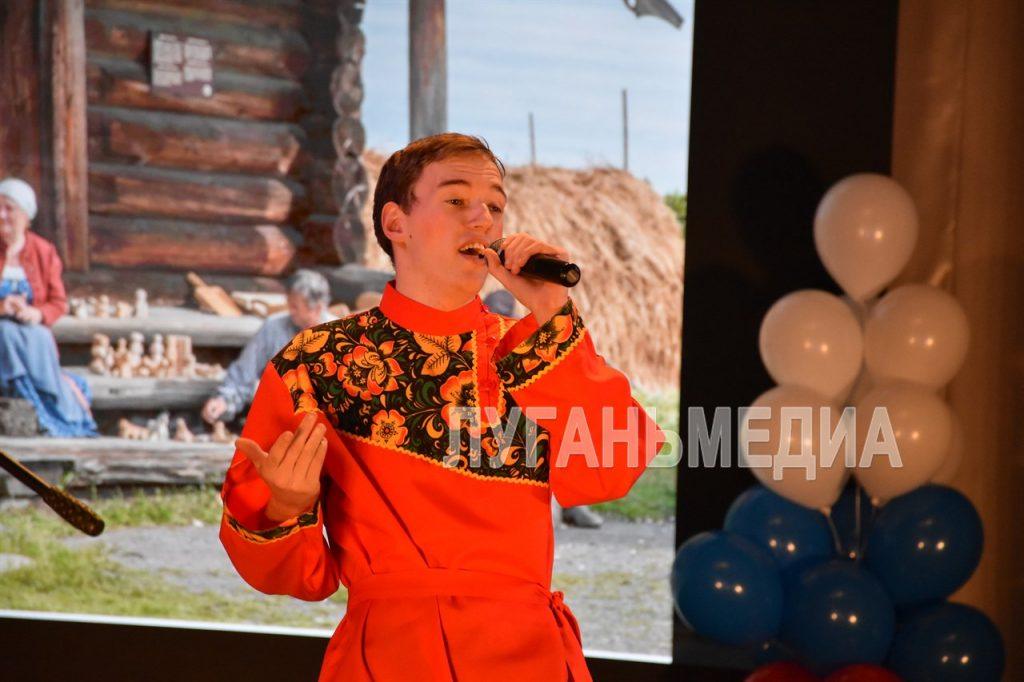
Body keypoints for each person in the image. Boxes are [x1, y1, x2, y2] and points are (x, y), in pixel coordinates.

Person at [218, 134, 665, 681]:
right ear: (395, 222)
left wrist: (552, 312)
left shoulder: (534, 348)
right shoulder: (318, 361)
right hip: (390, 658)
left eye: (495, 206)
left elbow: (609, 471)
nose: (482, 218)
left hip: (528, 658)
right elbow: (293, 575)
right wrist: (284, 506)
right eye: (457, 200)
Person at [483, 289, 605, 530]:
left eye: (503, 312)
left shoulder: (521, 340)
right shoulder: (473, 343)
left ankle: (571, 501)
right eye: (495, 311)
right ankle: (565, 504)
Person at [0, 178, 96, 437]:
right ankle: (24, 398)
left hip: (30, 329)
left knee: (41, 336)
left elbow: (58, 303)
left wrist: (37, 313)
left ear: (25, 216)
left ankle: (52, 409)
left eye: (9, 208)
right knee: (5, 333)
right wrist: (2, 306)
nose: (2, 215)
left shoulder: (43, 252)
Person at [201, 269, 334, 426]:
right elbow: (244, 372)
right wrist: (223, 400)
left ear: (317, 308)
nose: (290, 311)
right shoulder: (273, 328)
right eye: (289, 304)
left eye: (295, 307)